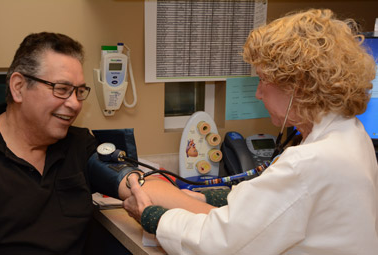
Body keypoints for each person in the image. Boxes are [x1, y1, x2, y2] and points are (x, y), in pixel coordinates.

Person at [123, 9, 378, 254]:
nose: (257, 93)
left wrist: (150, 216)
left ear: (296, 86)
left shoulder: (308, 163)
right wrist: (211, 198)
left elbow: (219, 245)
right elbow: (273, 207)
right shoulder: (352, 136)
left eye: (262, 80)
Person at [0, 32, 136, 255]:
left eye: (79, 92)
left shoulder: (78, 144)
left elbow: (138, 184)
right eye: (61, 89)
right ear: (19, 87)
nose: (74, 104)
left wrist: (163, 211)